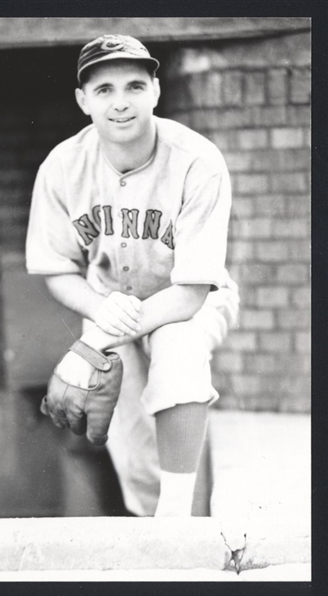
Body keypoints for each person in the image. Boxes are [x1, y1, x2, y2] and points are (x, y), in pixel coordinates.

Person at [26, 34, 240, 517]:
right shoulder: (61, 167)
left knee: (178, 347)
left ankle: (178, 522)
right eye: (104, 90)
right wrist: (100, 316)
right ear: (83, 100)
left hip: (190, 297)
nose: (121, 103)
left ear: (156, 92)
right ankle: (158, 541)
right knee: (136, 450)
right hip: (107, 304)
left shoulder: (197, 160)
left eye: (134, 86)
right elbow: (57, 270)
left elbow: (189, 295)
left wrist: (89, 345)